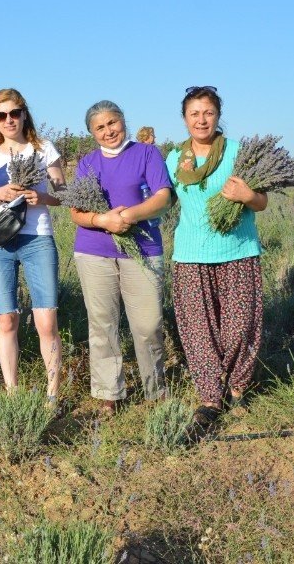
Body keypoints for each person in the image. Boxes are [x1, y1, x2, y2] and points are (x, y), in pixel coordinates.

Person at [166, 86, 267, 442]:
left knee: (240, 327)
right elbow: (164, 200)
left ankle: (238, 387)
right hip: (190, 254)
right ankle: (210, 396)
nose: (201, 120)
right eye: (194, 113)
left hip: (237, 251)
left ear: (218, 115)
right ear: (184, 119)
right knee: (198, 330)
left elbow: (263, 202)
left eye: (208, 112)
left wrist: (247, 196)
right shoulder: (175, 158)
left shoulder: (241, 153)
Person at [70, 101, 171, 416]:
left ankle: (156, 390)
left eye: (112, 122)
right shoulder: (87, 163)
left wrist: (127, 216)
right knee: (103, 325)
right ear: (91, 133)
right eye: (100, 127)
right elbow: (76, 211)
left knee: (148, 323)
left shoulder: (146, 154)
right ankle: (108, 394)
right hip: (94, 251)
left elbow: (162, 197)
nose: (108, 130)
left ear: (123, 121)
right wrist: (104, 221)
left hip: (142, 250)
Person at [0, 89, 64, 402]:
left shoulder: (43, 149)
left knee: (46, 320)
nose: (9, 120)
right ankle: (13, 393)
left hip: (37, 238)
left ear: (24, 114)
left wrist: (43, 198)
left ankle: (52, 393)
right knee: (6, 319)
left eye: (15, 113)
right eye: (2, 115)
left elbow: (65, 195)